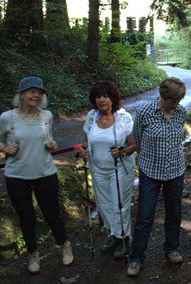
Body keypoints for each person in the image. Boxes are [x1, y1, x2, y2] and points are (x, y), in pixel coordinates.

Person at [0, 77, 73, 273]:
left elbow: (50, 141)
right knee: (26, 217)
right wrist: (5, 148)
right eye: (31, 91)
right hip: (17, 175)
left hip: (45, 172)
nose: (36, 95)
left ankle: (65, 246)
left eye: (39, 92)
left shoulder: (46, 116)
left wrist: (52, 144)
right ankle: (33, 255)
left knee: (52, 214)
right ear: (21, 95)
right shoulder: (7, 117)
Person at [127, 77, 187, 277]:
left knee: (174, 212)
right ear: (163, 97)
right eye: (173, 100)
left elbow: (179, 139)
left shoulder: (181, 113)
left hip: (175, 171)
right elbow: (136, 139)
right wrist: (150, 157)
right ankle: (136, 258)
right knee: (144, 215)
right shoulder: (145, 113)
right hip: (150, 171)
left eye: (179, 100)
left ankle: (172, 248)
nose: (176, 104)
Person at [79, 81, 136, 259]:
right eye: (98, 96)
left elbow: (134, 145)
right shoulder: (91, 117)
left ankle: (124, 238)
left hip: (120, 168)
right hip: (98, 169)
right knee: (104, 205)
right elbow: (86, 142)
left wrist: (122, 152)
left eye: (105, 96)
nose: (102, 100)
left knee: (120, 205)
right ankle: (114, 235)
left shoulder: (123, 118)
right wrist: (84, 151)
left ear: (113, 98)